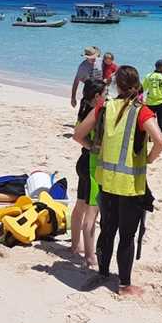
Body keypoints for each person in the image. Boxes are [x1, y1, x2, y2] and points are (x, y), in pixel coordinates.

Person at [73, 65, 162, 296]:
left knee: (107, 229)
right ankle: (124, 285)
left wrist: (94, 148)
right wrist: (148, 159)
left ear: (117, 85)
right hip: (131, 186)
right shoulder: (141, 111)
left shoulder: (104, 107)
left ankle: (103, 273)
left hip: (106, 181)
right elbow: (160, 141)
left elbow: (78, 135)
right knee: (127, 235)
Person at [70, 79, 107, 267]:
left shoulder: (83, 108)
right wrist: (93, 147)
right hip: (90, 164)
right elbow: (78, 135)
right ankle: (90, 257)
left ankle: (75, 245)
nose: (107, 96)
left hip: (82, 162)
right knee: (91, 212)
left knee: (80, 207)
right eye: (105, 93)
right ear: (97, 96)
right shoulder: (94, 112)